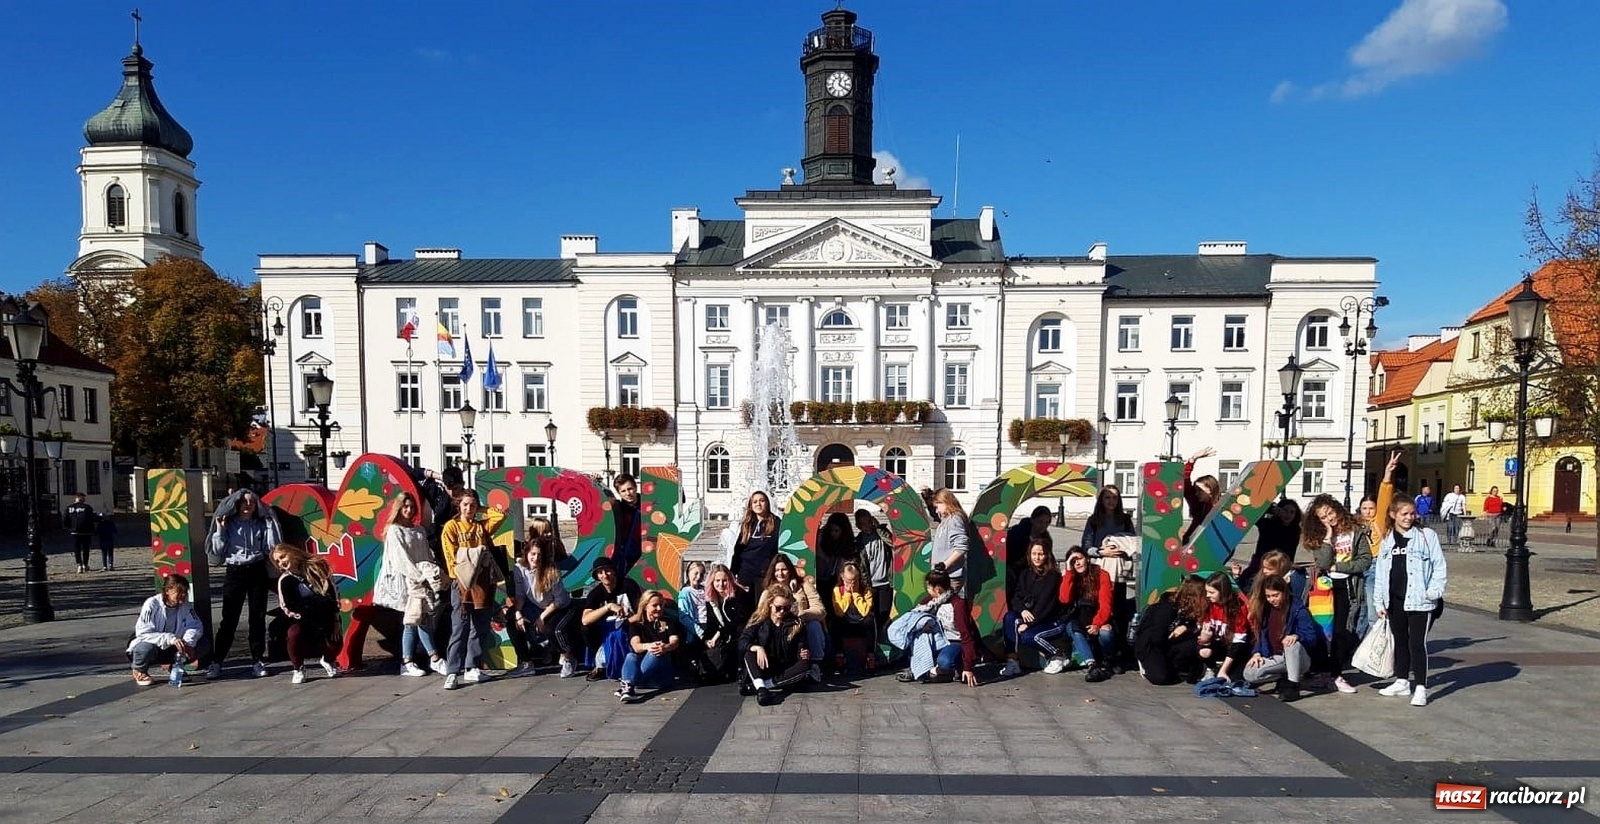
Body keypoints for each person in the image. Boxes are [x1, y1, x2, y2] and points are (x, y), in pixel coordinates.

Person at [1373, 497, 1449, 707]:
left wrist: (1433, 591)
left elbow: (1439, 565)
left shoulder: (1426, 536)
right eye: (1404, 514)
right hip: (1395, 600)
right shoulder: (1388, 539)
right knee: (1400, 641)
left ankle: (1421, 687)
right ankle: (1402, 680)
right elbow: (1381, 572)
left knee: (1417, 643)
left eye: (1411, 513)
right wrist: (1379, 601)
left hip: (1420, 601)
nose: (1409, 517)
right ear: (1393, 515)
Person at [204, 489, 283, 679]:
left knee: (257, 617)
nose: (248, 506)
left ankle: (257, 660)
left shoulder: (260, 523)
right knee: (229, 618)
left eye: (252, 503)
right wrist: (220, 529)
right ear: (237, 505)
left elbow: (270, 548)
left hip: (256, 569)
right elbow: (218, 550)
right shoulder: (229, 523)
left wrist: (271, 525)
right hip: (235, 570)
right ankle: (217, 661)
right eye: (244, 502)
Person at [1303, 494, 1372, 694]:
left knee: (1342, 632)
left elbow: (1365, 560)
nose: (1329, 519)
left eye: (1330, 513)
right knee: (1324, 633)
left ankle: (1336, 674)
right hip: (1324, 589)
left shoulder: (1355, 532)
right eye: (1323, 517)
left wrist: (1340, 566)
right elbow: (1323, 564)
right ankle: (1322, 672)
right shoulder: (1320, 537)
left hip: (1348, 586)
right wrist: (1327, 537)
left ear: (1337, 509)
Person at [440, 489, 506, 690]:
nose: (469, 509)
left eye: (473, 505)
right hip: (461, 582)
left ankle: (472, 666)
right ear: (458, 505)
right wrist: (467, 569)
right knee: (459, 627)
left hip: (483, 582)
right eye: (465, 504)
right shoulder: (451, 527)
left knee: (480, 625)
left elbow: (499, 515)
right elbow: (451, 557)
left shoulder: (480, 527)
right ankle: (452, 671)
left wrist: (482, 508)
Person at [381, 493, 445, 676]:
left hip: (422, 580)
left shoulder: (418, 530)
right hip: (408, 581)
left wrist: (430, 575)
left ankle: (412, 660)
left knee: (417, 619)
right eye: (405, 506)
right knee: (415, 619)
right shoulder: (395, 530)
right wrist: (419, 577)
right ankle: (429, 659)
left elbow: (426, 554)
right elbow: (399, 559)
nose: (409, 510)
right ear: (399, 508)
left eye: (411, 507)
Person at [509, 517, 582, 678]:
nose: (535, 558)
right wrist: (518, 613)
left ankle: (569, 656)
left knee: (552, 629)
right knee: (511, 619)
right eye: (532, 554)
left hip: (558, 606)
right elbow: (520, 594)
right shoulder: (519, 568)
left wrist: (542, 617)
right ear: (527, 553)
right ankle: (526, 662)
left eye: (539, 555)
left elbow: (560, 600)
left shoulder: (551, 569)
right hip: (535, 604)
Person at [891, 564, 980, 687]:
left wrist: (968, 667)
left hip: (955, 641)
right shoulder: (930, 602)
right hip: (938, 641)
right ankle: (925, 670)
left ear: (937, 589)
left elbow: (966, 635)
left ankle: (950, 669)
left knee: (944, 661)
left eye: (928, 587)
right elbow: (916, 614)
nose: (927, 590)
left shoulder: (957, 605)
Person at [1242, 575, 1324, 702]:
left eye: (1275, 595)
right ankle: (1283, 676)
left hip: (1298, 656)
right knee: (1249, 674)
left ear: (1284, 592)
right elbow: (1261, 634)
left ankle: (1293, 685)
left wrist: (1297, 636)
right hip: (1276, 657)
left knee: (1291, 644)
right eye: (1268, 596)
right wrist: (1257, 652)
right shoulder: (1266, 609)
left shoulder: (1298, 609)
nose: (1271, 600)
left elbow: (1311, 637)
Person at [270, 544, 342, 684]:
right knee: (294, 633)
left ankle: (328, 660)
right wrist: (305, 617)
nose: (281, 562)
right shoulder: (285, 580)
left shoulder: (317, 568)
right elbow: (287, 607)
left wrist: (335, 620)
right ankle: (298, 668)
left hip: (324, 614)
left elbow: (333, 594)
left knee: (335, 641)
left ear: (292, 552)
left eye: (283, 557)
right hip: (302, 619)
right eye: (277, 561)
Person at [1000, 538, 1067, 678]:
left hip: (1048, 619)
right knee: (1010, 617)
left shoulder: (1052, 576)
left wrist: (1028, 624)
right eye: (1034, 554)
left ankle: (1057, 654)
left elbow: (1045, 605)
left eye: (1040, 554)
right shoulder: (1025, 573)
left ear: (1047, 555)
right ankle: (1012, 660)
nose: (1037, 557)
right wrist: (1023, 610)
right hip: (1028, 614)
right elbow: (1016, 597)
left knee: (1029, 637)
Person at [740, 585, 815, 706]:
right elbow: (743, 641)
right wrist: (757, 648)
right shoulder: (759, 620)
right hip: (764, 664)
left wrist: (803, 652)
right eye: (778, 608)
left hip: (784, 668)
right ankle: (761, 686)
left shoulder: (796, 623)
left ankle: (764, 687)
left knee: (805, 665)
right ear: (770, 603)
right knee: (749, 653)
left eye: (786, 608)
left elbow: (802, 645)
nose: (782, 612)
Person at [754, 554, 827, 677]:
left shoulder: (804, 586)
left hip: (803, 630)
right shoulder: (768, 592)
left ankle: (816, 665)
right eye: (777, 570)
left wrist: (802, 615)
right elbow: (759, 617)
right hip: (781, 635)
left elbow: (821, 610)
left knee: (814, 625)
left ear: (790, 570)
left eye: (784, 569)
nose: (780, 573)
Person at [127, 574, 206, 686]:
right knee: (145, 648)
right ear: (168, 591)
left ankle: (176, 667)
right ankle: (139, 670)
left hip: (173, 647)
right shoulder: (152, 604)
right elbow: (143, 633)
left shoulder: (186, 606)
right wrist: (171, 638)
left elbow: (195, 626)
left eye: (185, 593)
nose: (182, 596)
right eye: (179, 593)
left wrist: (187, 642)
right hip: (152, 644)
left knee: (203, 644)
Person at [1133, 576, 1208, 685]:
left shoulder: (1187, 609)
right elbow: (1156, 636)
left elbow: (1194, 629)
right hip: (1152, 646)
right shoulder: (1165, 608)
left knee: (1192, 644)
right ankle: (1149, 665)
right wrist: (1171, 637)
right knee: (1160, 678)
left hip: (1169, 644)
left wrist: (1186, 629)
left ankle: (1175, 666)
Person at [1057, 546, 1116, 681]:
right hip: (1077, 619)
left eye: (1079, 559)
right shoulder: (1070, 576)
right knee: (1074, 628)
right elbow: (1064, 599)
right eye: (1073, 561)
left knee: (1106, 631)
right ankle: (1092, 665)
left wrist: (1097, 624)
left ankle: (1108, 659)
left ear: (1087, 559)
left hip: (1097, 617)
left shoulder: (1101, 574)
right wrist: (1069, 572)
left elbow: (1106, 604)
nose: (1077, 563)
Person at [581, 556, 643, 681]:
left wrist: (627, 620)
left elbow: (640, 610)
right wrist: (608, 607)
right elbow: (585, 619)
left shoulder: (628, 585)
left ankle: (620, 665)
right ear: (597, 576)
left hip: (629, 622)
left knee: (620, 633)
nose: (605, 575)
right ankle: (600, 665)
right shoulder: (596, 593)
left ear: (614, 571)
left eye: (607, 570)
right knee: (586, 629)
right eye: (600, 572)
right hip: (606, 628)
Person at [616, 590, 682, 703]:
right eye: (655, 605)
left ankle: (628, 684)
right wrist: (648, 646)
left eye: (661, 605)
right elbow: (636, 646)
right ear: (645, 606)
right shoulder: (636, 625)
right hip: (644, 676)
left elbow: (675, 641)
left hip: (661, 676)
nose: (659, 609)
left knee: (656, 651)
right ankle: (629, 686)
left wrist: (666, 647)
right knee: (631, 656)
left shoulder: (669, 621)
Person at [697, 564, 750, 684]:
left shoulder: (739, 594)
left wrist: (718, 635)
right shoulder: (711, 599)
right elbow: (711, 623)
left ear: (730, 580)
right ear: (712, 581)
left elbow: (738, 620)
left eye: (724, 581)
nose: (720, 584)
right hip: (724, 636)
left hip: (738, 633)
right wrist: (707, 639)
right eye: (717, 581)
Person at [1234, 499, 1301, 592]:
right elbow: (1255, 512)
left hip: (1280, 567)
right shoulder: (1267, 524)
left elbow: (1291, 552)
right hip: (1260, 564)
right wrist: (1271, 509)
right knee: (1248, 587)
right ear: (1279, 510)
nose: (1288, 515)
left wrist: (1289, 567)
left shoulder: (1295, 530)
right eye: (1285, 511)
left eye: (1292, 512)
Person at [1197, 572, 1251, 684]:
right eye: (1207, 591)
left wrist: (1224, 670)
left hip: (1235, 647)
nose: (1208, 595)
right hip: (1217, 643)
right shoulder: (1209, 604)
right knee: (1204, 651)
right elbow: (1203, 631)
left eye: (1212, 592)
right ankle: (1210, 668)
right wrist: (1204, 639)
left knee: (1235, 678)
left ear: (1222, 592)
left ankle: (1223, 667)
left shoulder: (1238, 607)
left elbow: (1239, 641)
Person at [828, 561, 877, 673]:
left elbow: (865, 611)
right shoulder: (837, 590)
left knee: (870, 619)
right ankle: (839, 655)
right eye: (849, 581)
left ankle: (870, 656)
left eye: (855, 581)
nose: (852, 584)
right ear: (842, 578)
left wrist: (855, 594)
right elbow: (839, 612)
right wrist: (847, 595)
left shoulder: (866, 591)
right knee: (835, 621)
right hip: (846, 623)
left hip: (861, 624)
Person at [729, 491, 781, 594]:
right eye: (755, 502)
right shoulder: (747, 524)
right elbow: (738, 550)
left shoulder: (776, 523)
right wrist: (732, 573)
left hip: (764, 574)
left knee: (761, 606)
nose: (758, 504)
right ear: (751, 505)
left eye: (762, 501)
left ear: (767, 503)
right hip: (745, 573)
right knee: (745, 607)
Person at [854, 509, 894, 631]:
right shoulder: (859, 540)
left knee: (885, 612)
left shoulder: (881, 534)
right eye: (862, 524)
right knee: (871, 614)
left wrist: (879, 529)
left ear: (872, 520)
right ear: (858, 525)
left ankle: (883, 639)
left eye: (868, 523)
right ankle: (873, 642)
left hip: (885, 582)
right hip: (869, 584)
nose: (866, 527)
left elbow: (893, 543)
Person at [928, 489, 972, 592]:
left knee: (946, 606)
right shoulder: (947, 519)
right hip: (946, 575)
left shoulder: (954, 520)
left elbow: (961, 547)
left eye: (937, 507)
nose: (936, 511)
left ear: (945, 502)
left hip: (950, 576)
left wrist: (944, 565)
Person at [1007, 506, 1054, 593]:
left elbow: (1049, 558)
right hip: (1015, 568)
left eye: (1047, 522)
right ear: (1033, 520)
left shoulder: (1046, 539)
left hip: (1035, 570)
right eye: (1040, 522)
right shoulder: (1017, 533)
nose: (1043, 525)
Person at [813, 511, 858, 599]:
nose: (833, 533)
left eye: (836, 531)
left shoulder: (847, 542)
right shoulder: (821, 537)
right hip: (819, 578)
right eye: (831, 530)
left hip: (837, 580)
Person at [1181, 447, 1220, 546]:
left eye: (1200, 490)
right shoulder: (1198, 505)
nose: (1196, 493)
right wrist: (1192, 459)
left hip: (1212, 546)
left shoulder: (1220, 507)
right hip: (1191, 544)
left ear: (1210, 489)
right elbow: (1184, 482)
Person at [1081, 486, 1136, 555]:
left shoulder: (1126, 519)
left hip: (1120, 561)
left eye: (1115, 497)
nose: (1111, 501)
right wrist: (1100, 552)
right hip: (1099, 562)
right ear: (1101, 500)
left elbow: (1132, 541)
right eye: (1107, 497)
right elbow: (1086, 545)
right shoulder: (1093, 520)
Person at [610, 473, 643, 577]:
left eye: (630, 489)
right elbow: (600, 502)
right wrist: (595, 482)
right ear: (619, 493)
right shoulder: (618, 508)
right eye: (623, 491)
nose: (628, 493)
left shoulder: (649, 502)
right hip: (628, 556)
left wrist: (672, 473)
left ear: (635, 487)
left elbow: (674, 498)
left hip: (648, 551)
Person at [676, 560, 708, 648]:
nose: (698, 577)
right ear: (688, 573)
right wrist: (699, 631)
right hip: (695, 627)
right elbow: (683, 617)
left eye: (701, 574)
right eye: (696, 573)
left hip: (708, 624)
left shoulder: (705, 590)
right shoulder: (685, 592)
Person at [63, 493, 98, 574]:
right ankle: (85, 565)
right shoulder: (87, 507)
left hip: (75, 532)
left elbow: (65, 519)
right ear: (83, 499)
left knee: (77, 549)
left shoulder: (69, 508)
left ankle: (79, 565)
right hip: (86, 532)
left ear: (76, 499)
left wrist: (69, 528)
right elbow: (93, 518)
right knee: (86, 549)